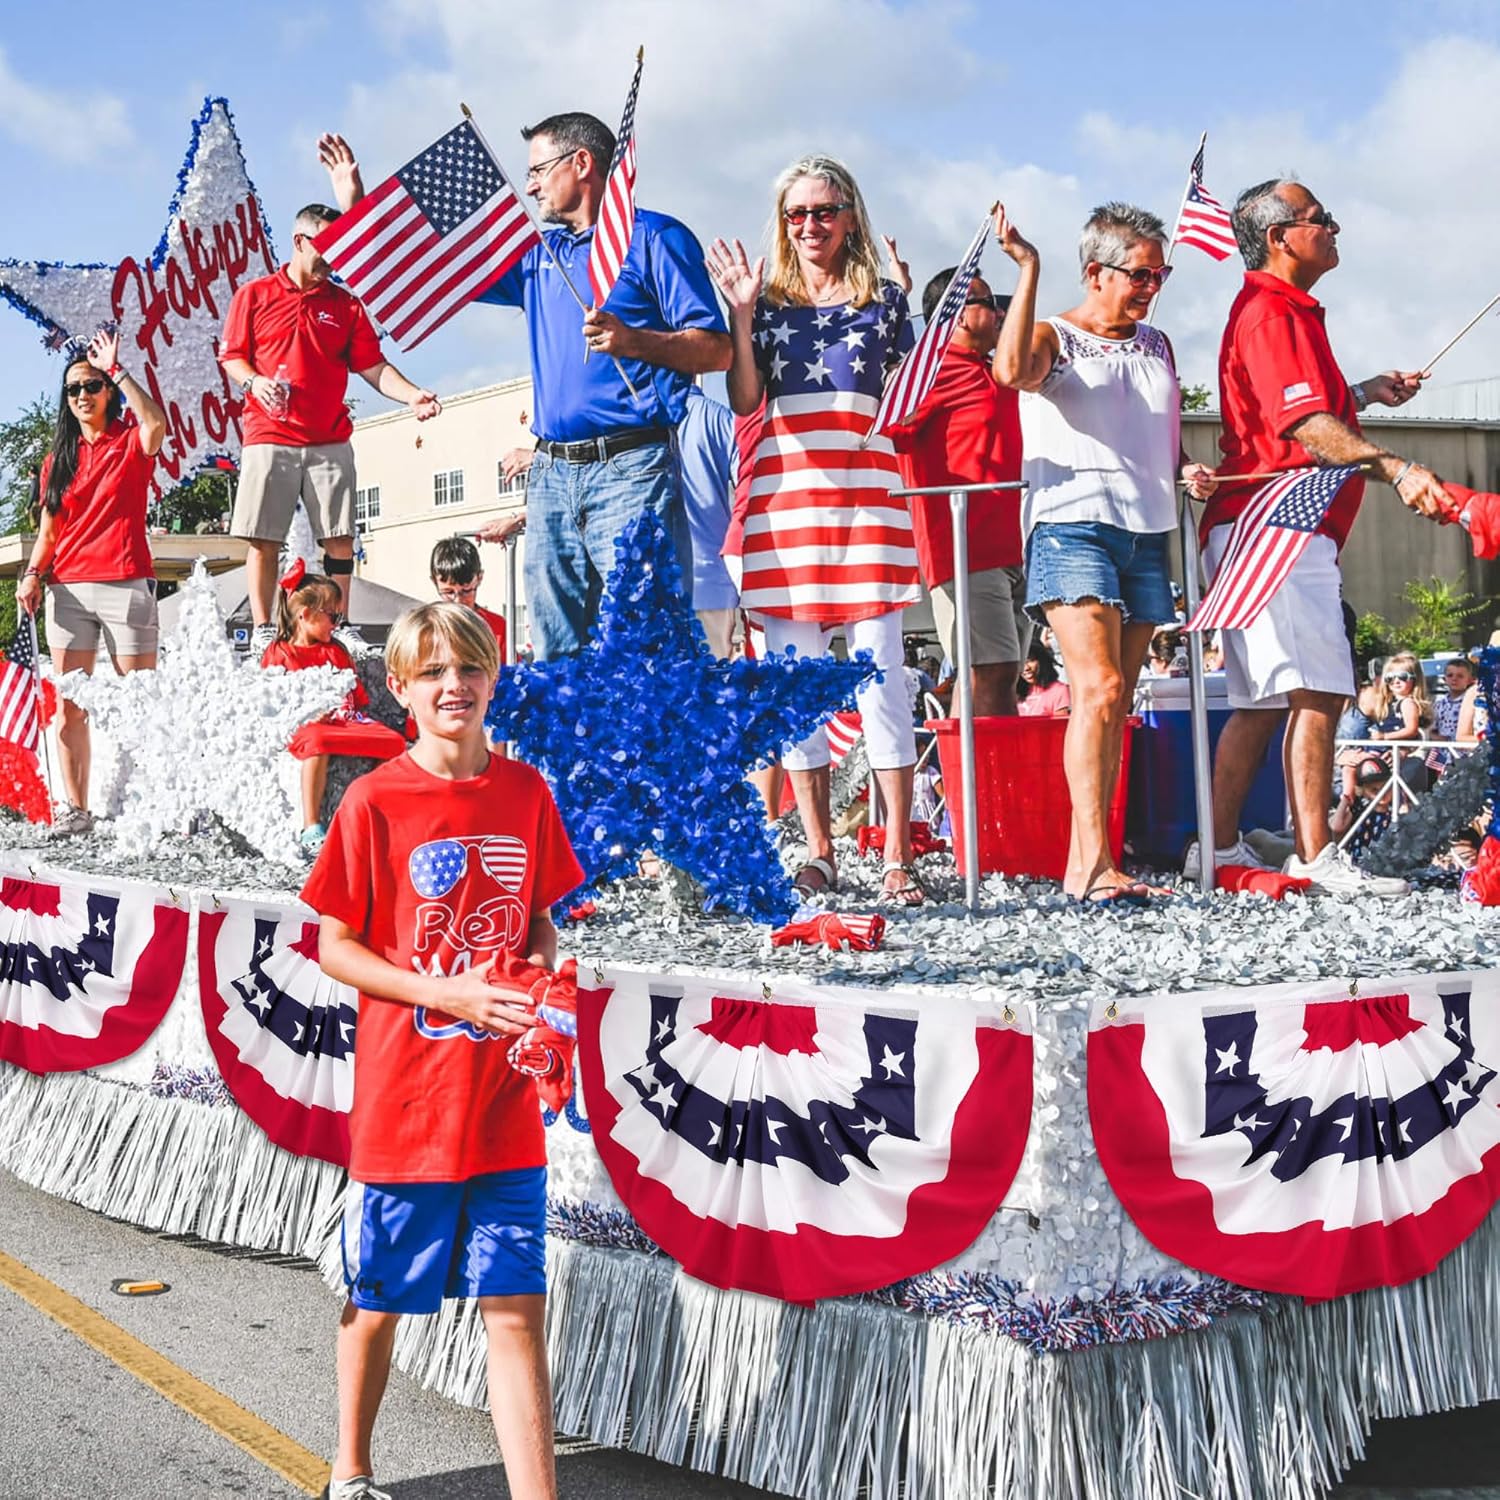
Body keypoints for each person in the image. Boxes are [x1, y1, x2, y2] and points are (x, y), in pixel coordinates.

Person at [301, 602, 583, 1500]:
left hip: (503, 1106)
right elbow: (335, 945)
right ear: (401, 689)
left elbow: (538, 916)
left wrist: (539, 986)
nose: (452, 685)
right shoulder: (375, 799)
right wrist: (444, 993)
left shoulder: (528, 793)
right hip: (409, 1108)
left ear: (494, 676)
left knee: (516, 1315)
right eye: (431, 673)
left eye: (468, 667)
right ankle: (351, 1471)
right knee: (379, 1305)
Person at [319, 124, 730, 659]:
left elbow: (716, 348)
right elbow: (440, 264)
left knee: (649, 641)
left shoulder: (656, 238)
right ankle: (571, 747)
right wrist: (358, 206)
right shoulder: (538, 253)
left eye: (537, 170)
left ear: (580, 163)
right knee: (557, 646)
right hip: (553, 474)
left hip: (632, 468)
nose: (530, 186)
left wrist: (634, 341)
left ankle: (651, 746)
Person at [1192, 178, 1452, 897]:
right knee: (1318, 689)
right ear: (1279, 238)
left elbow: (1301, 408)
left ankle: (1216, 849)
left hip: (1260, 526)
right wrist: (1395, 466)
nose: (1333, 227)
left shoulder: (1274, 312)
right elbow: (1306, 430)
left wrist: (1362, 391)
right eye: (1319, 219)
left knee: (1263, 698)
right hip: (1280, 523)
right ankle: (1313, 853)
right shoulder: (1273, 314)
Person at [707, 154, 927, 906]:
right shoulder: (763, 306)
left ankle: (899, 854)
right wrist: (739, 317)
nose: (811, 226)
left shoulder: (886, 303)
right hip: (784, 510)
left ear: (850, 215)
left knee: (881, 682)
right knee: (798, 691)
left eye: (825, 211)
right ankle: (819, 851)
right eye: (798, 214)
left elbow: (914, 397)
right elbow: (743, 401)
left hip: (868, 506)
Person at [993, 202, 1215, 903]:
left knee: (1114, 702)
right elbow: (1009, 372)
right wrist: (1027, 270)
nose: (1154, 285)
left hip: (1147, 529)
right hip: (1070, 523)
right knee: (1101, 689)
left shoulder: (1158, 344)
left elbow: (1160, 429)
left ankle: (1090, 861)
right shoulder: (1056, 335)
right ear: (1095, 272)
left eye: (1161, 272)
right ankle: (1091, 867)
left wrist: (1185, 468)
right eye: (1142, 273)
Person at [219, 202, 443, 656]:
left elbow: (373, 366)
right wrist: (255, 382)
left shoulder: (346, 304)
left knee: (339, 537)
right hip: (270, 434)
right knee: (263, 536)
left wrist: (412, 394)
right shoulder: (255, 294)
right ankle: (264, 625)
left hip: (329, 439)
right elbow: (231, 356)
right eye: (328, 249)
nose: (335, 261)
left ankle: (339, 621)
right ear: (300, 242)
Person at [17, 329, 167, 834]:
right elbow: (49, 532)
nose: (82, 395)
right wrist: (32, 574)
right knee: (69, 707)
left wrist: (121, 371)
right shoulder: (55, 461)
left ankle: (151, 808)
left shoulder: (130, 442)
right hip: (67, 590)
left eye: (92, 385)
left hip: (126, 582)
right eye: (73, 389)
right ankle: (75, 809)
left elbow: (156, 423)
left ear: (108, 392)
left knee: (139, 701)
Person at [887, 269, 1029, 716]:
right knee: (992, 673)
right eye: (987, 302)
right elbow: (892, 425)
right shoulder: (928, 371)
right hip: (966, 549)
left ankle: (979, 783)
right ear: (956, 316)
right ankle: (986, 786)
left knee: (1004, 674)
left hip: (1017, 545)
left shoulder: (997, 371)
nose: (1001, 312)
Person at [260, 564, 407, 859]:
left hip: (344, 720)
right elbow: (272, 701)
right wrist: (305, 714)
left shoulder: (336, 650)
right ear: (305, 615)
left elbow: (355, 697)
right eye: (332, 615)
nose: (337, 624)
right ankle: (311, 825)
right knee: (317, 742)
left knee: (395, 743)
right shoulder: (280, 653)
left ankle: (366, 810)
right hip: (305, 726)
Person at [675, 386, 741, 659]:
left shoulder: (640, 417)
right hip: (712, 579)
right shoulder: (721, 419)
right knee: (713, 686)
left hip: (654, 582)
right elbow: (748, 490)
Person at [430, 537, 508, 663]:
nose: (458, 601)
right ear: (434, 581)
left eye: (466, 591)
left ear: (479, 578)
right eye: (448, 592)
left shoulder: (497, 627)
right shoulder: (426, 628)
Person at [1017, 638, 1071, 717]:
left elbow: (1060, 726)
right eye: (1021, 663)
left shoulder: (1059, 691)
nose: (1025, 668)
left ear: (1042, 661)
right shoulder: (1015, 693)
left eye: (1030, 660)